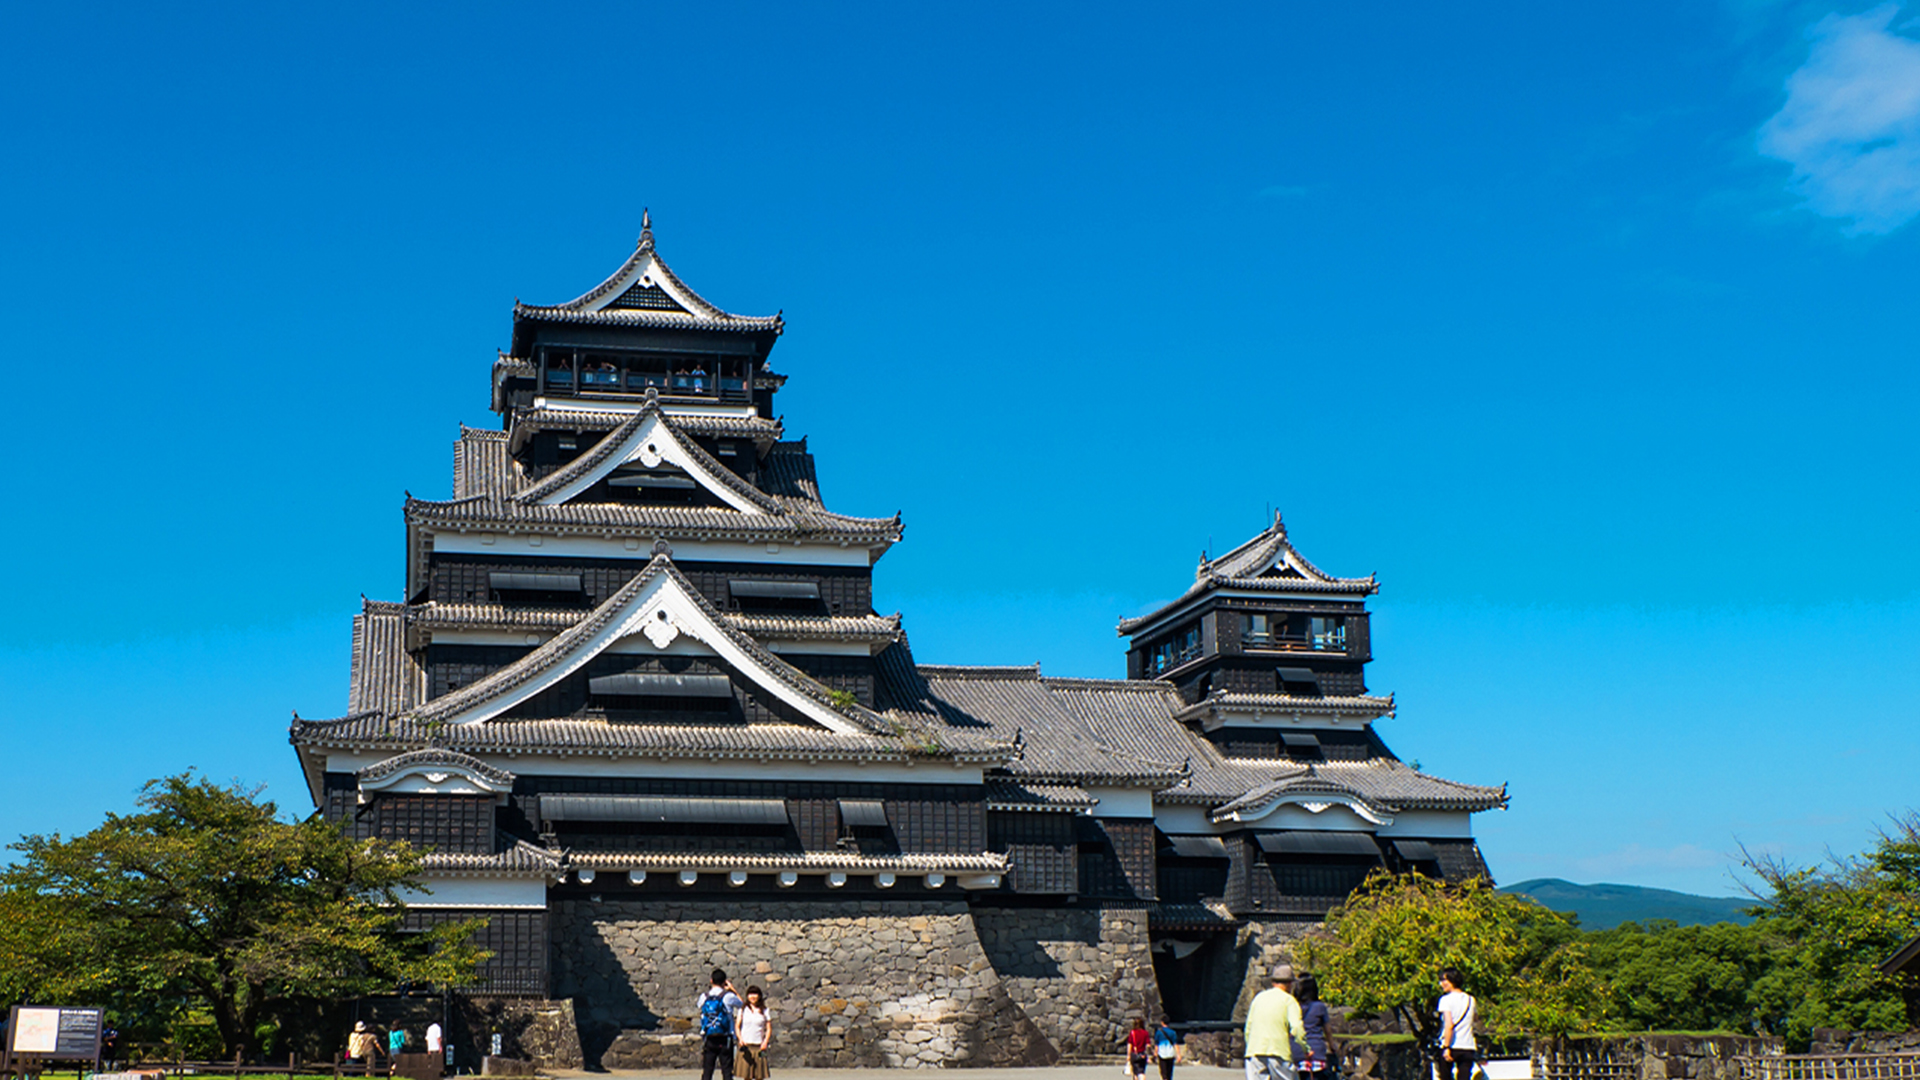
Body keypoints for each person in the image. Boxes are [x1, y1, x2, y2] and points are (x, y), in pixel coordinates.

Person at [1244, 964, 1307, 1080]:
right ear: (1290, 984)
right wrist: (1305, 1049)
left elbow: (1248, 1027)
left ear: (1273, 982)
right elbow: (1297, 1028)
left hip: (1255, 1049)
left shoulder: (1259, 998)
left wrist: (1250, 1045)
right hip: (1278, 1050)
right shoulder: (1289, 1000)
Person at [697, 967, 744, 1080]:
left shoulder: (704, 997)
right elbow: (742, 1004)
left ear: (711, 981)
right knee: (727, 1071)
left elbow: (700, 1007)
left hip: (709, 1037)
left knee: (707, 1071)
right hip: (725, 1037)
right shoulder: (728, 997)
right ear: (724, 982)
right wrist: (732, 990)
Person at [1436, 968, 1477, 1080]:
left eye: (1444, 980)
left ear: (1452, 980)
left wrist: (1446, 1046)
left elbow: (1449, 1025)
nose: (1441, 984)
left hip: (1452, 1045)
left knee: (1445, 1077)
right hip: (1468, 1045)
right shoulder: (1470, 999)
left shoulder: (1445, 1000)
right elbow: (1473, 1019)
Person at [1295, 976, 1331, 1080]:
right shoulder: (1320, 1007)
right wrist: (1332, 1046)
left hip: (1297, 1051)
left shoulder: (1294, 1006)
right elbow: (1327, 1030)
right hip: (1316, 1051)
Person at [734, 985, 772, 1080]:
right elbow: (737, 1026)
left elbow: (768, 1028)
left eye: (755, 994)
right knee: (746, 1075)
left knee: (760, 1075)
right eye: (750, 994)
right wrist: (740, 1039)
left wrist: (765, 1042)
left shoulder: (765, 1010)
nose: (753, 996)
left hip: (759, 1046)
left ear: (759, 996)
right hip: (746, 1045)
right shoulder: (742, 1010)